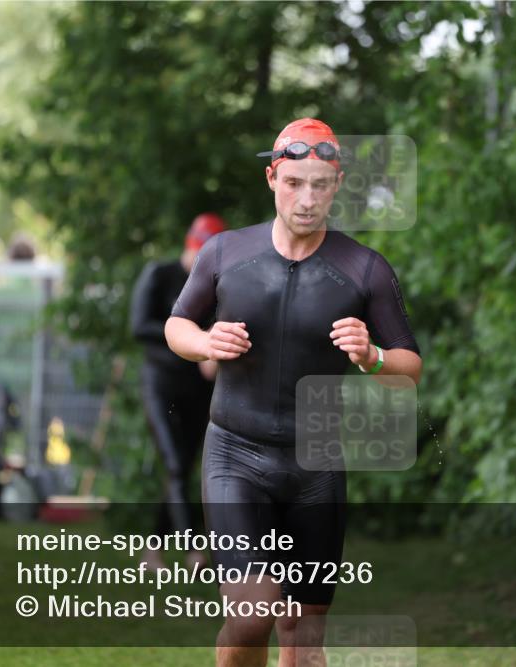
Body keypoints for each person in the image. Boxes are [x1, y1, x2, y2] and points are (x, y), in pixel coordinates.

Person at [165, 118, 422, 667]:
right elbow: (176, 325)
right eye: (294, 183)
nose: (307, 199)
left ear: (337, 184)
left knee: (303, 642)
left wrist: (371, 356)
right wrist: (206, 342)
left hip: (316, 466)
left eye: (320, 185)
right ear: (272, 179)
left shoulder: (365, 269)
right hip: (235, 454)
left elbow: (410, 366)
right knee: (252, 616)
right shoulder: (225, 252)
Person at [131, 213, 228, 572]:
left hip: (197, 387)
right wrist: (187, 334)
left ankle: (152, 551)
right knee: (173, 464)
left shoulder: (214, 287)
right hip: (160, 384)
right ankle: (193, 551)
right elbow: (139, 326)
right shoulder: (160, 274)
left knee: (183, 468)